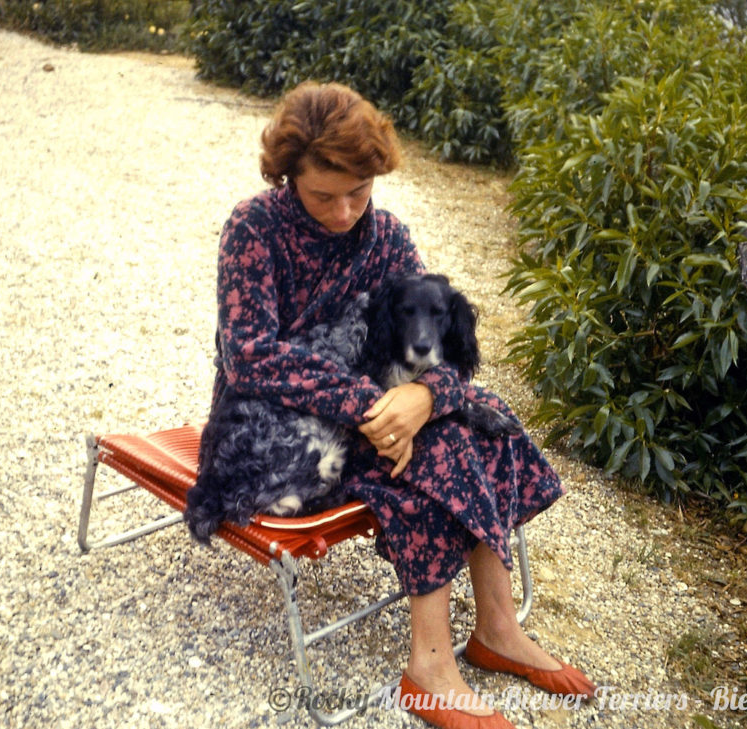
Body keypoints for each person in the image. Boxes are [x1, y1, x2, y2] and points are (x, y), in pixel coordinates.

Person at [209, 81, 595, 729]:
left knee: (480, 416)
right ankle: (431, 669)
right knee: (436, 452)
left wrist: (423, 394)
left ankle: (495, 627)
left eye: (358, 191)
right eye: (322, 194)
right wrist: (376, 405)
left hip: (368, 420)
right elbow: (249, 355)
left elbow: (437, 338)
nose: (342, 212)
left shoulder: (383, 234)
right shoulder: (255, 230)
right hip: (275, 437)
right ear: (287, 177)